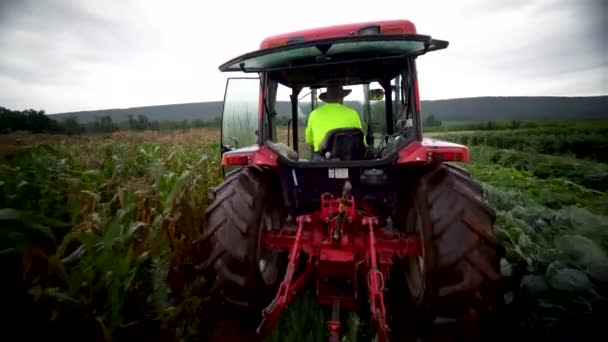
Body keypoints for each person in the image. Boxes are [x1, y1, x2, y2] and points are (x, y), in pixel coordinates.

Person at [305, 84, 364, 159]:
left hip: (324, 158)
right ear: (341, 98)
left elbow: (309, 140)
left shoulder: (314, 114)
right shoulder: (353, 113)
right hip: (350, 159)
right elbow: (361, 140)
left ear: (326, 99)